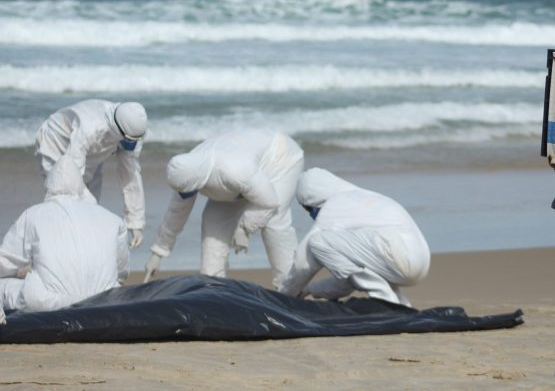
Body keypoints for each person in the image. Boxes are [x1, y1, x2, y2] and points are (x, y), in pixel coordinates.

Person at [144, 129, 304, 288]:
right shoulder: (186, 170)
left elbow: (269, 202)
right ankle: (215, 290)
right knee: (212, 225)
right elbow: (177, 212)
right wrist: (158, 253)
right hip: (238, 183)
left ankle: (289, 289)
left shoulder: (234, 170)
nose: (186, 196)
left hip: (280, 158)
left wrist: (244, 228)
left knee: (274, 223)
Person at [0, 156, 129, 324]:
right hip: (104, 302)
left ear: (49, 185)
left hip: (47, 304)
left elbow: (5, 263)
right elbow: (122, 272)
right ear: (80, 186)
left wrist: (19, 273)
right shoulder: (113, 219)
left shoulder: (33, 215)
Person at [280, 168, 430, 307]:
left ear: (314, 198)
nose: (310, 214)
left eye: (307, 208)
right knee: (369, 263)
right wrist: (310, 289)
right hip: (419, 261)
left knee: (317, 242)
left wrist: (283, 296)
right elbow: (348, 280)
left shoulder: (333, 206)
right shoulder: (362, 198)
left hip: (399, 256)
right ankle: (401, 306)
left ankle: (385, 300)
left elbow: (303, 262)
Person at [34, 99, 147, 248]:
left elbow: (130, 175)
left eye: (134, 141)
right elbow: (71, 177)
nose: (131, 145)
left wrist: (135, 223)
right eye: (129, 141)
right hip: (55, 143)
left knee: (91, 210)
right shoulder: (90, 127)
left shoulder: (134, 131)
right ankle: (46, 250)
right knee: (62, 201)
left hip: (94, 154)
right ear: (119, 130)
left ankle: (83, 253)